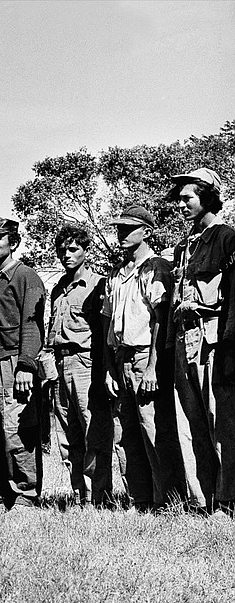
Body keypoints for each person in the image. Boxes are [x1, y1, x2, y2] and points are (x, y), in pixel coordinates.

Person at [102, 205, 180, 510]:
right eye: (119, 228)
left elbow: (161, 320)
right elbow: (109, 322)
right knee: (126, 433)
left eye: (128, 228)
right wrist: (110, 368)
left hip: (144, 356)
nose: (121, 234)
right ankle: (140, 499)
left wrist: (152, 366)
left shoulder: (155, 268)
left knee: (154, 431)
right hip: (121, 359)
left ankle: (168, 500)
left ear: (146, 232)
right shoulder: (117, 274)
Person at [168, 168, 235, 512]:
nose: (181, 205)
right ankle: (202, 500)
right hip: (184, 342)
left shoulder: (226, 238)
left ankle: (227, 500)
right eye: (179, 199)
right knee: (190, 424)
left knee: (219, 421)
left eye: (187, 198)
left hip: (213, 343)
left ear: (207, 197)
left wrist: (228, 343)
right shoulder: (184, 246)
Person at [47, 225, 114, 506]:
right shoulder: (58, 289)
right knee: (67, 434)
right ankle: (79, 495)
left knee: (92, 432)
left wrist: (103, 370)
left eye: (73, 249)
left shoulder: (98, 284)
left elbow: (103, 332)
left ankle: (99, 497)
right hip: (59, 363)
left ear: (86, 251)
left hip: (85, 362)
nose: (67, 255)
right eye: (62, 250)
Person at [0, 217, 46, 511]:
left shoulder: (25, 277)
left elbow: (32, 324)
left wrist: (26, 365)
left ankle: (26, 495)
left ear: (14, 243)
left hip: (13, 363)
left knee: (17, 430)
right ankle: (8, 496)